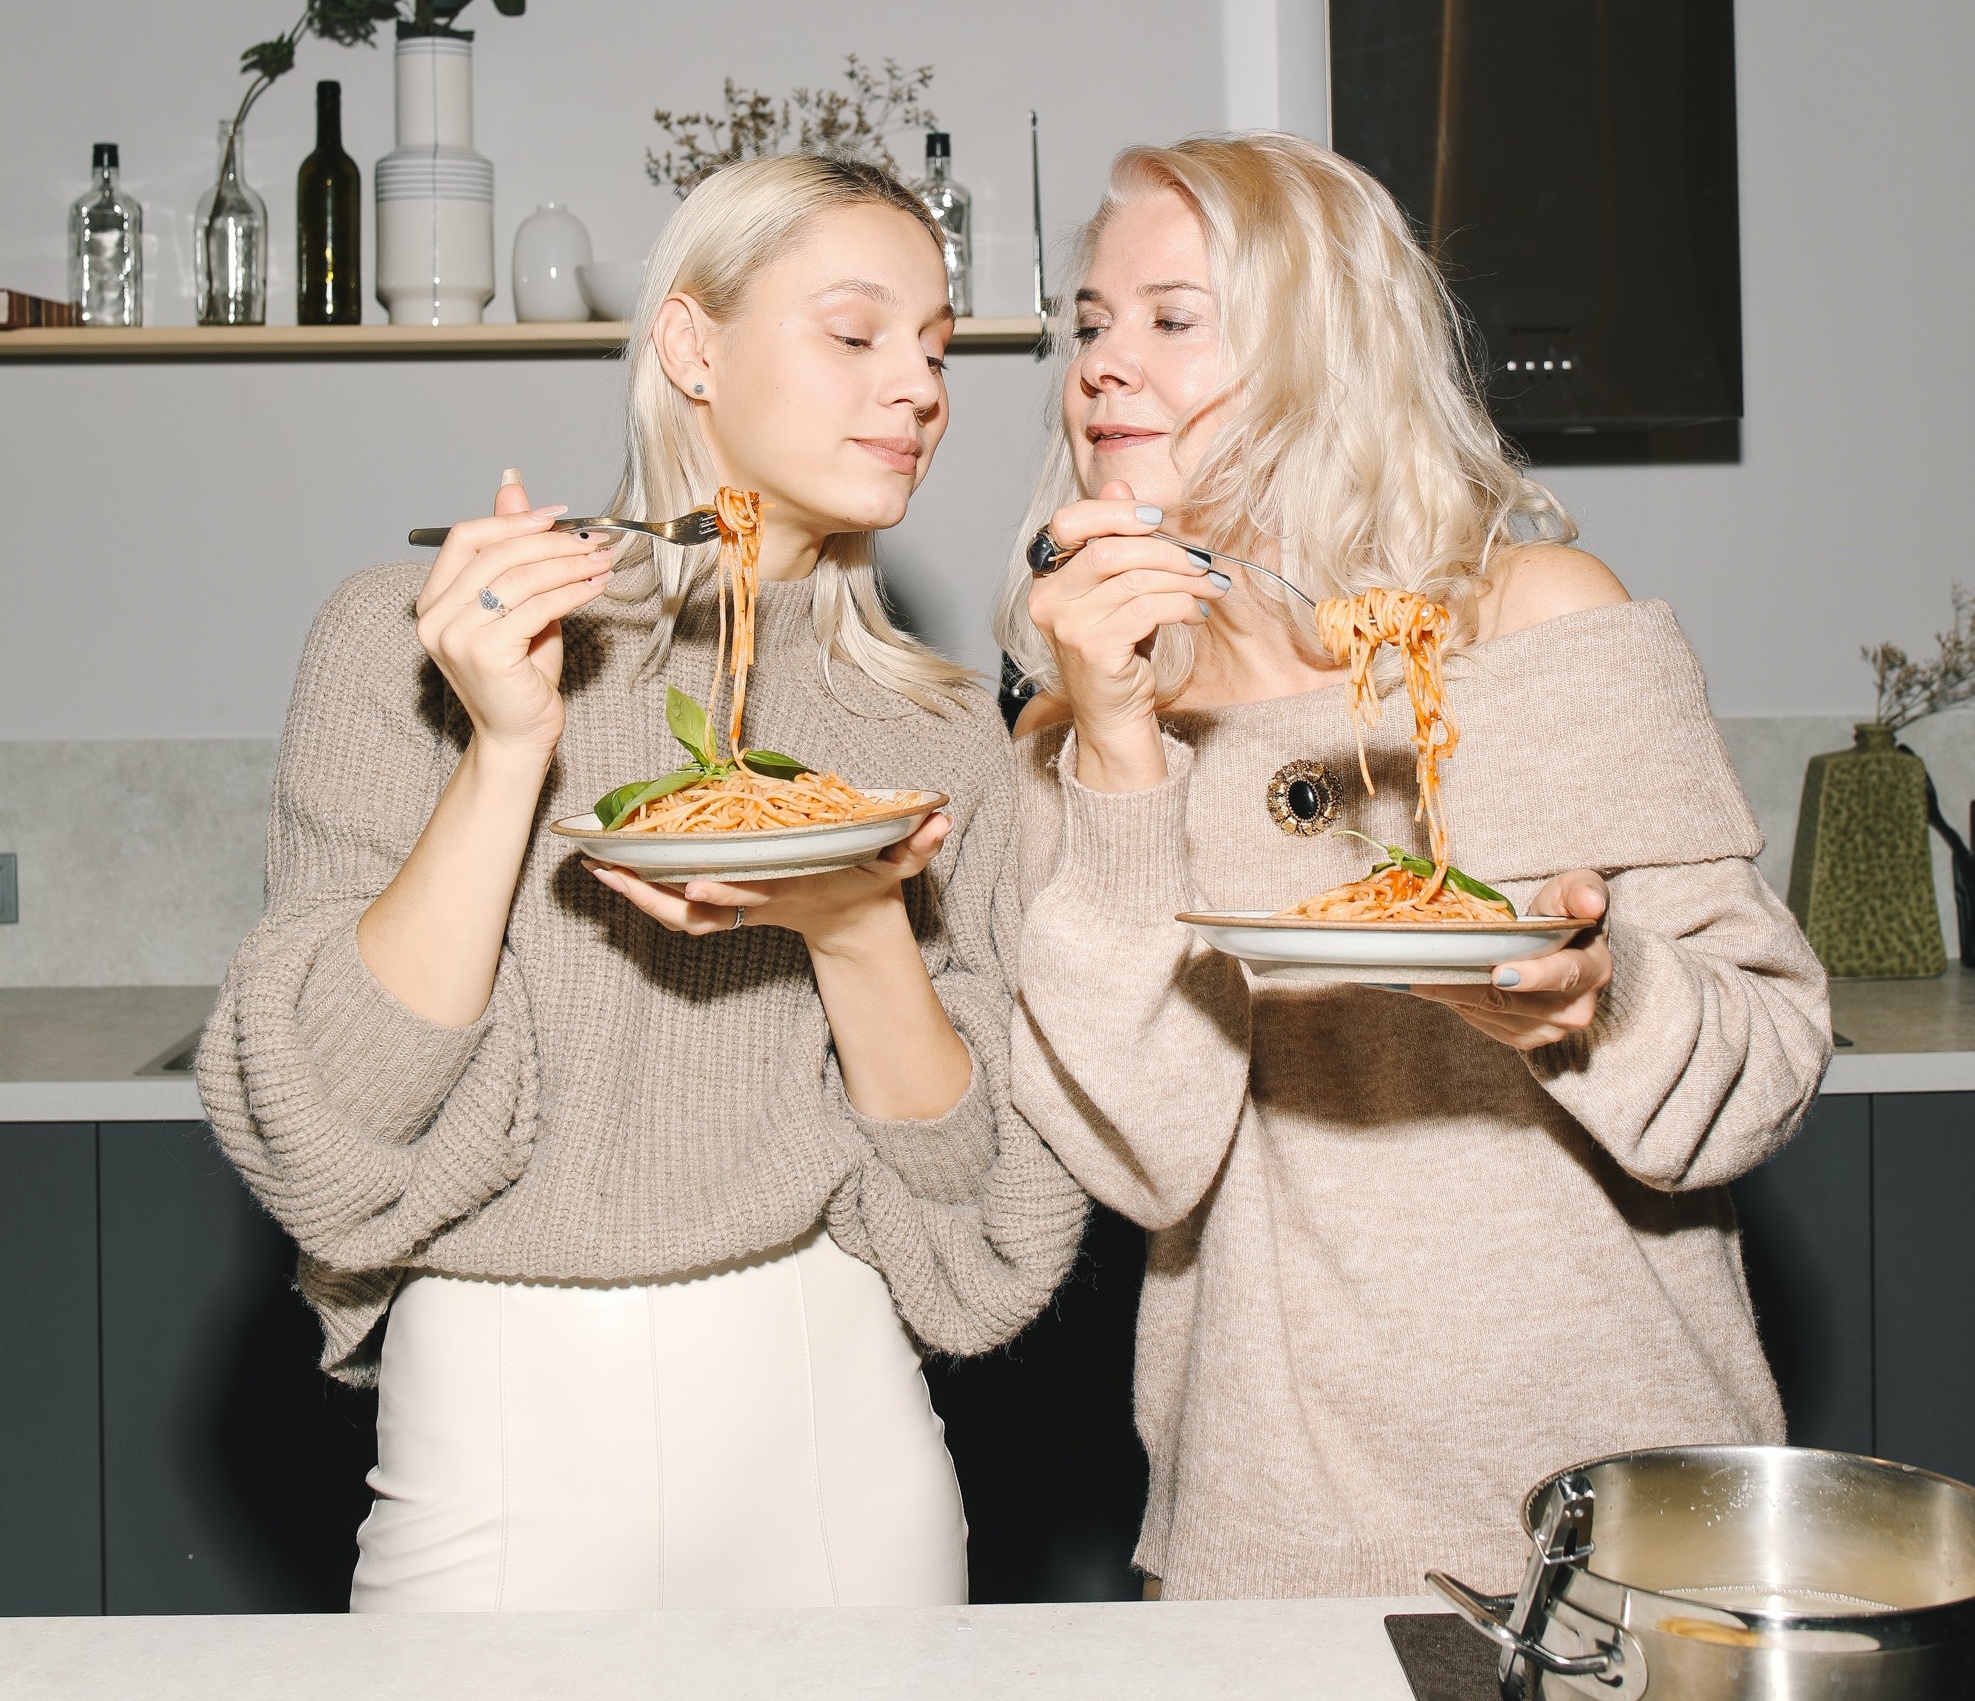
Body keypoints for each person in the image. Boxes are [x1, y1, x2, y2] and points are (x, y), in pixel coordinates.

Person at [199, 154, 1085, 1612]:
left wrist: (857, 923)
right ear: (691, 345)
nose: (919, 388)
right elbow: (329, 1128)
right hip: (497, 1433)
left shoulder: (935, 728)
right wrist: (506, 751)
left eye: (934, 350)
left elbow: (977, 1203)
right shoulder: (409, 640)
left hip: (835, 1433)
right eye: (856, 335)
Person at [997, 133, 1832, 1599]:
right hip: (1276, 1543)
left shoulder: (1535, 623)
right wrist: (1122, 751)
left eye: (1172, 318)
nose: (1101, 366)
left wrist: (1603, 1000)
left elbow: (1766, 1057)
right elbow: (1145, 1155)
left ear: (1323, 349)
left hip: (1626, 1534)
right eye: (1089, 323)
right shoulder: (1083, 729)